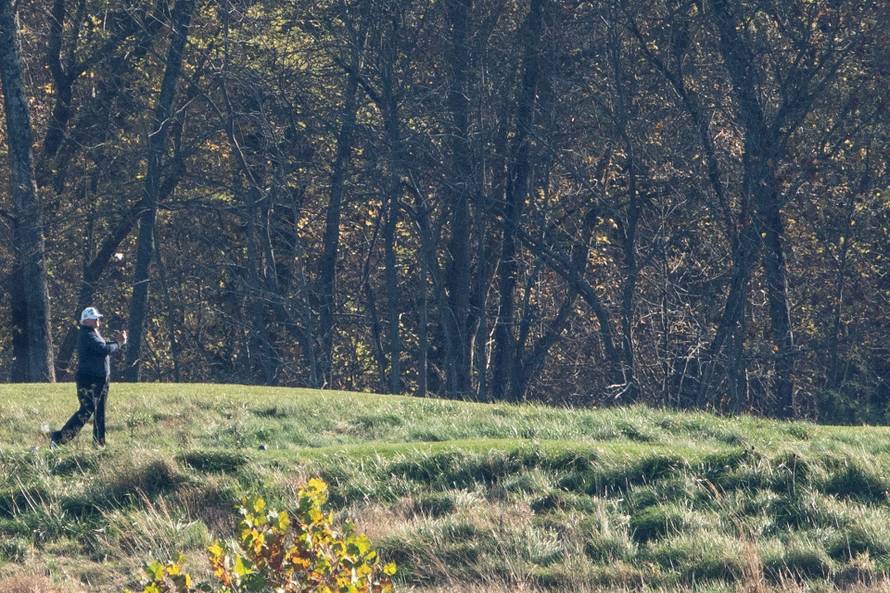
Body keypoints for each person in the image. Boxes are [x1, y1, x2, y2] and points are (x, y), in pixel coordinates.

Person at [50, 307, 127, 448]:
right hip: (89, 380)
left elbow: (103, 345)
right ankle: (59, 438)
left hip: (100, 379)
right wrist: (119, 343)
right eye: (95, 318)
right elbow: (103, 349)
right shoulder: (87, 334)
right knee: (86, 410)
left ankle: (99, 444)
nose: (98, 320)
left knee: (99, 412)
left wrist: (116, 343)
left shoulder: (93, 332)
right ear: (85, 320)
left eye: (98, 317)